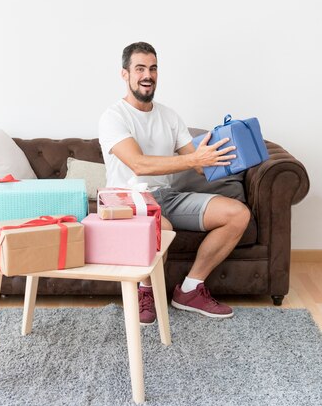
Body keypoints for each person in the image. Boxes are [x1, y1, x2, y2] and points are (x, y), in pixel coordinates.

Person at [98, 42, 251, 325]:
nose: (148, 75)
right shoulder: (113, 117)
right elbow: (139, 164)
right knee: (161, 226)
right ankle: (146, 291)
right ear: (125, 74)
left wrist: (231, 153)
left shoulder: (169, 116)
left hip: (165, 196)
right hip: (126, 198)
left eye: (153, 68)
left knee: (237, 214)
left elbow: (200, 165)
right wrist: (193, 161)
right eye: (140, 68)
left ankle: (190, 289)